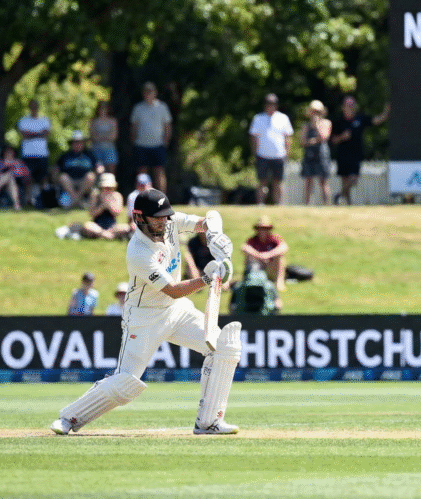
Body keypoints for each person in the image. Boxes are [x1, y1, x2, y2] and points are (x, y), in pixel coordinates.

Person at [50, 189, 240, 436]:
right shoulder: (138, 251)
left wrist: (216, 234)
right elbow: (172, 289)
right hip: (145, 317)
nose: (162, 221)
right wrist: (207, 277)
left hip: (176, 311)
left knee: (223, 347)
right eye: (156, 218)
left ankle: (208, 422)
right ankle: (69, 418)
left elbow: (206, 220)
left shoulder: (170, 222)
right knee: (125, 384)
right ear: (139, 218)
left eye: (164, 216)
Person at [330, 96, 389, 205]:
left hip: (356, 154)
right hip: (342, 155)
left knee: (354, 178)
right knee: (344, 180)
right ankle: (348, 204)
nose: (350, 108)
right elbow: (333, 140)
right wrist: (342, 137)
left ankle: (339, 195)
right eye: (348, 106)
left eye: (352, 106)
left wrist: (386, 112)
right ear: (343, 107)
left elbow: (376, 120)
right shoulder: (339, 121)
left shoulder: (360, 119)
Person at [249, 93, 293, 205]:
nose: (271, 106)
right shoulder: (258, 118)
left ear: (276, 105)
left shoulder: (283, 118)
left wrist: (287, 153)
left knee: (278, 182)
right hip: (262, 155)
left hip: (279, 155)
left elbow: (287, 138)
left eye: (273, 104)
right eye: (269, 104)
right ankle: (260, 204)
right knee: (262, 182)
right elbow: (253, 138)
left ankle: (279, 204)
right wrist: (255, 154)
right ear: (265, 105)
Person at [130, 82, 172, 192]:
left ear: (155, 93)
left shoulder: (162, 107)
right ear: (143, 93)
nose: (148, 93)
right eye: (146, 91)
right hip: (141, 144)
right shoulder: (138, 108)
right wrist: (134, 141)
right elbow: (134, 126)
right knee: (141, 174)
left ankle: (163, 199)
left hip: (158, 144)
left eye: (150, 91)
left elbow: (167, 125)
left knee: (159, 173)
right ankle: (141, 198)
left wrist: (166, 141)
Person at [18, 99, 52, 205]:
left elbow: (46, 133)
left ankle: (44, 199)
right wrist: (38, 134)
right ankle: (28, 200)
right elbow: (24, 134)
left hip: (42, 154)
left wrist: (31, 134)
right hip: (28, 154)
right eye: (32, 106)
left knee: (43, 177)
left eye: (35, 106)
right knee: (28, 178)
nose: (34, 108)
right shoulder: (23, 121)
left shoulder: (45, 120)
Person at [242, 215, 288, 291]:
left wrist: (269, 255)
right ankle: (250, 279)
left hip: (271, 266)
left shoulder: (274, 238)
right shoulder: (252, 240)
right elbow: (245, 248)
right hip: (258, 265)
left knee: (281, 258)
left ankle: (279, 282)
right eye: (261, 228)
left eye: (266, 228)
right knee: (249, 257)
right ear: (257, 229)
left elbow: (284, 247)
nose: (263, 231)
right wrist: (259, 255)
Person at [300, 99, 333, 205]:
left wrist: (317, 125)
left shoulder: (326, 123)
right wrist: (314, 141)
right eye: (313, 111)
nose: (315, 114)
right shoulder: (305, 125)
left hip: (322, 155)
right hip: (309, 155)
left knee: (323, 181)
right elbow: (303, 141)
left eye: (317, 111)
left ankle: (326, 205)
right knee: (308, 182)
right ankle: (307, 204)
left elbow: (324, 137)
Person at [79, 173, 131, 240]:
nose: (107, 190)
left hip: (112, 226)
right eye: (105, 188)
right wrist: (102, 206)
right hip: (97, 225)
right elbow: (92, 214)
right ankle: (107, 235)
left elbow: (117, 213)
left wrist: (109, 205)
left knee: (126, 227)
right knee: (87, 225)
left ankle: (105, 235)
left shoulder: (117, 196)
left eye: (109, 188)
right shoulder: (95, 195)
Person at [56, 131, 101, 208]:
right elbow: (56, 168)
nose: (78, 144)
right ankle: (78, 201)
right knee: (63, 177)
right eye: (75, 142)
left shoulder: (90, 154)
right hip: (70, 183)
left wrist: (99, 170)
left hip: (84, 183)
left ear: (83, 143)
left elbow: (99, 167)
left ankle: (74, 201)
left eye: (80, 142)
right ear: (72, 144)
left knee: (90, 176)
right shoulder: (66, 155)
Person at [0, 145, 30, 211]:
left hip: (14, 182)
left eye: (10, 152)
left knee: (10, 178)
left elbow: (26, 173)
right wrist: (2, 171)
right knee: (8, 177)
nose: (9, 153)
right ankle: (16, 204)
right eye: (7, 152)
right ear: (3, 153)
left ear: (14, 153)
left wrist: (12, 172)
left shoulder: (18, 162)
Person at [89, 100, 119, 174]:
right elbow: (93, 138)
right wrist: (106, 136)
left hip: (110, 149)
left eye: (104, 108)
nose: (103, 110)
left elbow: (113, 137)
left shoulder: (113, 121)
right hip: (96, 150)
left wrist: (100, 136)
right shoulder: (94, 121)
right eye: (101, 108)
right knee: (98, 171)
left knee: (111, 172)